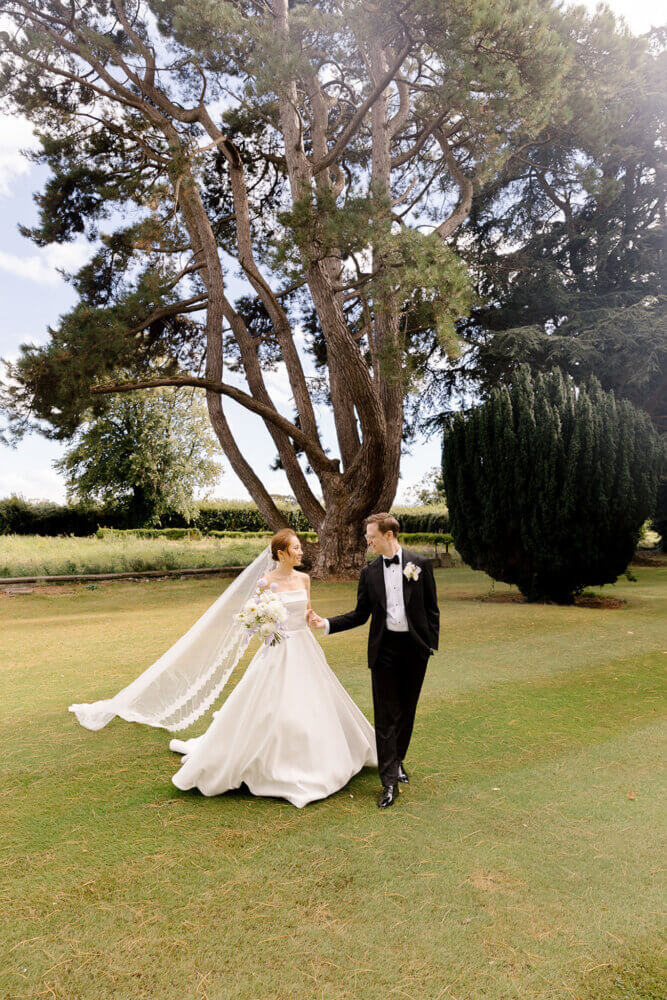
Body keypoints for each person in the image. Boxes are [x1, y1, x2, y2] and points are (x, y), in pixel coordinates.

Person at [70, 529, 376, 809]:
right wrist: (265, 625)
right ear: (281, 553)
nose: (301, 553)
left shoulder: (304, 579)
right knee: (272, 706)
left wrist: (314, 620)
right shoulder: (266, 582)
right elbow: (253, 616)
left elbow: (307, 611)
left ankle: (317, 759)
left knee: (314, 703)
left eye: (299, 548)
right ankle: (267, 761)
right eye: (295, 548)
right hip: (277, 650)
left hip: (304, 648)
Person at [308, 513, 439, 809]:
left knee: (406, 711)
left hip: (415, 649)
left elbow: (432, 608)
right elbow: (360, 614)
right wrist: (325, 623)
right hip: (385, 650)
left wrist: (430, 643)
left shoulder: (420, 564)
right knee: (385, 715)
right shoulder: (369, 572)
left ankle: (398, 760)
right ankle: (389, 781)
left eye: (371, 535)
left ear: (388, 535)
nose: (367, 541)